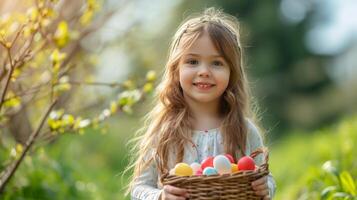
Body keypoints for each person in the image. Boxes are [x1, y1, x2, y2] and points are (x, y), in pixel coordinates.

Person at [126, 7, 276, 200]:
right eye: (193, 61)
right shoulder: (163, 133)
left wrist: (266, 187)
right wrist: (161, 196)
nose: (204, 71)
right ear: (176, 69)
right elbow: (138, 188)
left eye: (217, 63)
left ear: (232, 73)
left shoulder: (244, 130)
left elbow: (265, 177)